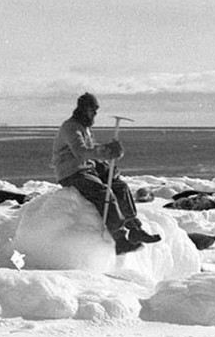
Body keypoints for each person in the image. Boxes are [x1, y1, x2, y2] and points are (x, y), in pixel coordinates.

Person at [51, 93, 161, 254]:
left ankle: (135, 229)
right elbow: (81, 151)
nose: (95, 113)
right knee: (104, 193)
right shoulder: (70, 127)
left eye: (96, 110)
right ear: (83, 109)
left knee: (120, 186)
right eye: (92, 110)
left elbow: (90, 150)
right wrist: (105, 151)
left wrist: (107, 160)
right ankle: (119, 239)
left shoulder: (84, 128)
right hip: (71, 172)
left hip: (86, 169)